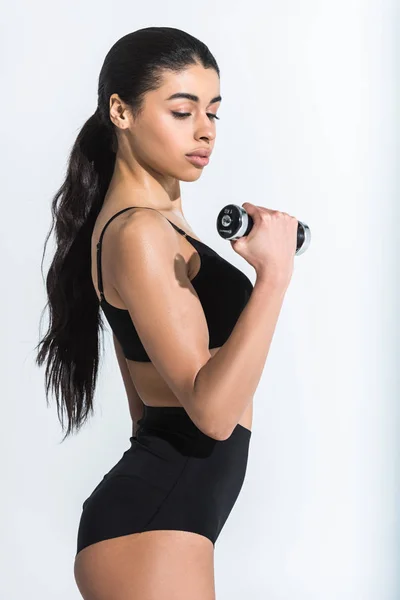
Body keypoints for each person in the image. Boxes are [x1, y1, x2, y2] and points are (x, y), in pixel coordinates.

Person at [36, 26, 298, 600]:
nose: (205, 130)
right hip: (154, 523)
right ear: (121, 112)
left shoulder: (155, 225)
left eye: (213, 112)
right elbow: (211, 414)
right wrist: (274, 278)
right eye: (182, 111)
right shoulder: (140, 233)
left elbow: (143, 405)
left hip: (160, 522)